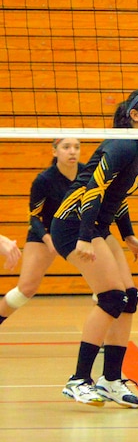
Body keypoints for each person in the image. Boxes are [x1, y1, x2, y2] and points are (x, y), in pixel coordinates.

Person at [51, 90, 138, 406]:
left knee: (129, 298)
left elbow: (118, 197)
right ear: (135, 116)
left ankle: (111, 380)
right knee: (112, 297)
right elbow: (93, 190)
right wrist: (85, 237)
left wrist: (128, 236)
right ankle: (78, 379)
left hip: (96, 225)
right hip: (73, 223)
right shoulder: (122, 146)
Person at [0, 138, 82, 326]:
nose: (72, 152)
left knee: (104, 285)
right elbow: (34, 217)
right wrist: (48, 239)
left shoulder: (86, 175)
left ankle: (102, 338)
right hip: (44, 233)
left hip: (75, 234)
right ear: (55, 152)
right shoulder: (44, 180)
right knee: (26, 288)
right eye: (66, 147)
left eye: (77, 147)